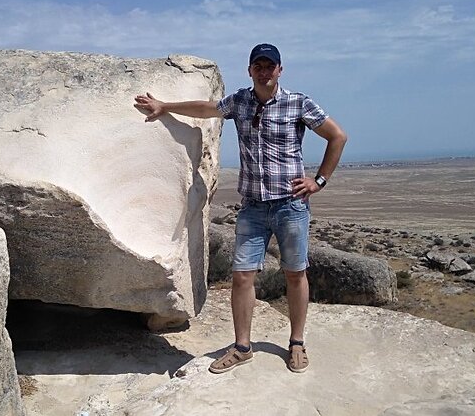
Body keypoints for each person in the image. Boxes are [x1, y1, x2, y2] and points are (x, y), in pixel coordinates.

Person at [134, 43, 347, 374]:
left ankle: (297, 343)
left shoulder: (298, 102)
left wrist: (319, 181)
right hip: (252, 207)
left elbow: (337, 136)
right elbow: (206, 109)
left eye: (269, 66)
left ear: (280, 70)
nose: (264, 71)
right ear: (250, 71)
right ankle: (242, 347)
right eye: (258, 66)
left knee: (295, 273)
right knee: (242, 276)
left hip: (290, 205)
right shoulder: (240, 101)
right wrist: (165, 106)